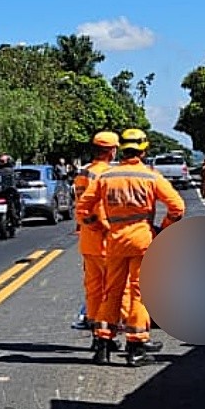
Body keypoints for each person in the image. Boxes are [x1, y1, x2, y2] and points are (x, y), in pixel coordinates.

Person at [78, 128, 186, 366]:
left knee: (111, 292)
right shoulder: (150, 177)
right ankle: (136, 347)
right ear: (143, 150)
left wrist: (97, 227)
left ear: (122, 150)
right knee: (138, 291)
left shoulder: (106, 177)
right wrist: (162, 228)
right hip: (142, 241)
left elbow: (83, 209)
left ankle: (103, 345)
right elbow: (177, 207)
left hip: (115, 241)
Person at [71, 131, 122, 331]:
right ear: (111, 150)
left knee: (94, 289)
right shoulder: (105, 174)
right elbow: (101, 208)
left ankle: (95, 329)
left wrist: (89, 225)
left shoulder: (83, 173)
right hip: (104, 240)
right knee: (116, 288)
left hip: (87, 241)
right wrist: (107, 228)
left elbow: (80, 206)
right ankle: (117, 333)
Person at [0, 153, 23, 227]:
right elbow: (18, 180)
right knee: (17, 199)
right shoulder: (11, 171)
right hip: (6, 194)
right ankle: (18, 217)